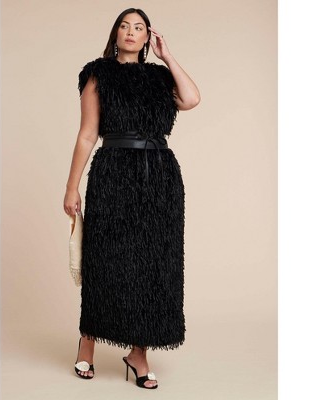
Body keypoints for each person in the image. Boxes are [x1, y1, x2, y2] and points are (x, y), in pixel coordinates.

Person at [63, 8, 200, 389]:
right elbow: (87, 134)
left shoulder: (160, 77)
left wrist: (167, 56)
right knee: (104, 258)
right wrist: (72, 186)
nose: (130, 32)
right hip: (113, 173)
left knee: (153, 264)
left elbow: (191, 99)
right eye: (124, 26)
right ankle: (87, 342)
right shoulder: (98, 74)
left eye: (139, 27)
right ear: (116, 33)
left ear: (147, 37)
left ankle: (138, 353)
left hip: (159, 178)